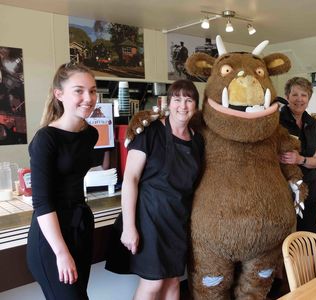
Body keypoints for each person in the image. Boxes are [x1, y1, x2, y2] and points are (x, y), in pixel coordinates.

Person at [105, 79, 204, 300]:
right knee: (153, 284)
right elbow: (130, 178)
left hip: (178, 221)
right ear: (169, 103)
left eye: (189, 100)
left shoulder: (197, 142)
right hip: (149, 220)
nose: (183, 105)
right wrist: (129, 227)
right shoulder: (150, 132)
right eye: (177, 99)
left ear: (195, 106)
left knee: (172, 283)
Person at [26, 63, 99, 299]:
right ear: (59, 94)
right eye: (79, 90)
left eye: (93, 90)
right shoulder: (46, 139)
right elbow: (43, 203)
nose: (88, 98)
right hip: (51, 238)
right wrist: (61, 252)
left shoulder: (90, 134)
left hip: (80, 228)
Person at [279, 77, 316, 232]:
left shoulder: (313, 124)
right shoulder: (276, 121)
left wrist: (300, 159)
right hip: (283, 188)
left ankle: (306, 258)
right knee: (283, 233)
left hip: (309, 188)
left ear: (309, 99)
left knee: (307, 234)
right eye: (295, 94)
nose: (299, 99)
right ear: (287, 97)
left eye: (304, 95)